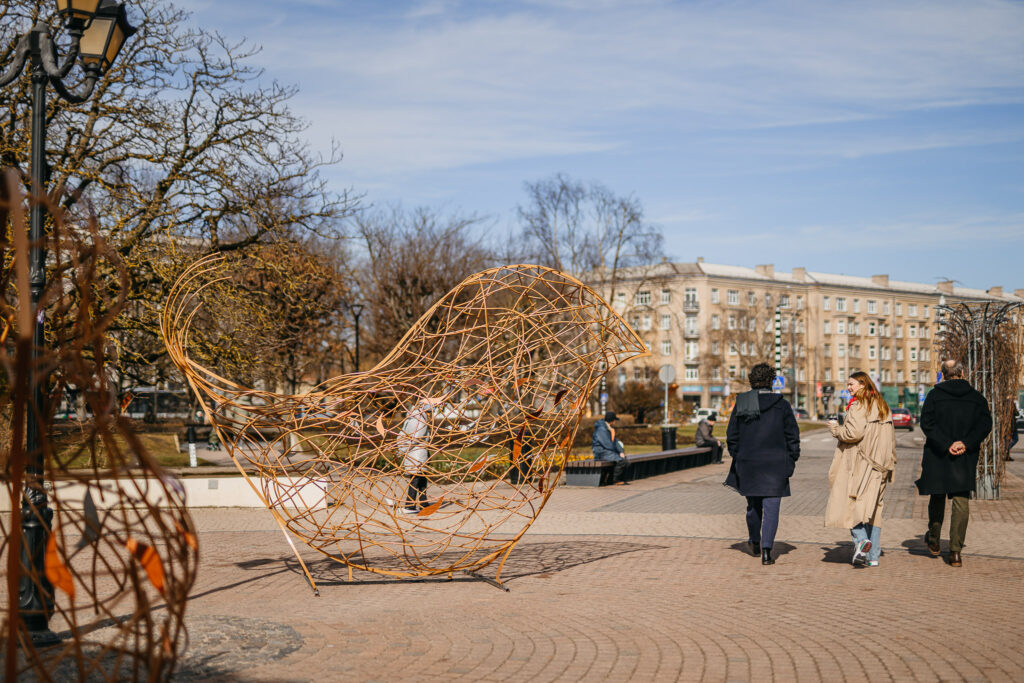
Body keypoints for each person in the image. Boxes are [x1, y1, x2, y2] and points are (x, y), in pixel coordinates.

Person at [916, 359, 992, 567]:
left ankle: (934, 541)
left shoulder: (934, 396)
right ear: (962, 372)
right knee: (961, 500)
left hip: (938, 455)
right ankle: (956, 552)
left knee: (937, 497)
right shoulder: (976, 398)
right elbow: (985, 424)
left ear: (943, 374)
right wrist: (964, 443)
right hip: (964, 457)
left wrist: (946, 443)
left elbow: (927, 424)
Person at [725, 363, 801, 565]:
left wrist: (738, 455)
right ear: (772, 381)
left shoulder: (743, 402)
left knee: (753, 507)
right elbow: (792, 435)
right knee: (772, 508)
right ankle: (767, 551)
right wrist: (792, 458)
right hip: (776, 464)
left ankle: (755, 542)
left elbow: (732, 436)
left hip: (749, 464)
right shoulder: (781, 404)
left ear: (751, 380)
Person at [824, 372, 897, 567]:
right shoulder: (882, 405)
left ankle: (861, 540)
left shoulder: (859, 405)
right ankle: (873, 556)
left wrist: (835, 428)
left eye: (851, 384)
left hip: (861, 463)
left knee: (850, 503)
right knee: (873, 510)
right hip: (882, 465)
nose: (848, 388)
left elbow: (852, 434)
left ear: (863, 384)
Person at [395, 396, 444, 514]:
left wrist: (402, 448)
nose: (432, 413)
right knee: (418, 480)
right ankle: (418, 505)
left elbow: (413, 437)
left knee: (417, 480)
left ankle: (414, 505)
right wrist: (403, 448)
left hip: (416, 453)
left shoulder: (417, 418)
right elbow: (413, 437)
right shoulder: (419, 419)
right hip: (416, 453)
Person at [593, 411, 629, 485]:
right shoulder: (601, 429)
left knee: (624, 461)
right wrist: (617, 453)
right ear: (612, 420)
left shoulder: (608, 428)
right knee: (622, 461)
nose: (615, 422)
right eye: (615, 420)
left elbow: (615, 442)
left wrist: (621, 451)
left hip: (607, 451)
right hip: (602, 453)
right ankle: (614, 480)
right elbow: (607, 444)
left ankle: (611, 479)